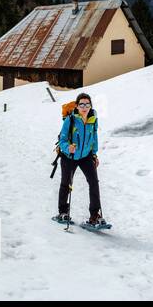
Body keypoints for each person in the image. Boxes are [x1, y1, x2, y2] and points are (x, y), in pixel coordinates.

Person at [56, 92, 105, 226]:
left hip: (86, 156)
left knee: (94, 182)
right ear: (77, 106)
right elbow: (62, 139)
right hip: (69, 156)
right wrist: (67, 148)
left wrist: (94, 154)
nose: (84, 107)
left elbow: (94, 138)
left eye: (87, 104)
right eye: (82, 104)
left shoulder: (93, 119)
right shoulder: (70, 120)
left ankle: (94, 216)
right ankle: (63, 212)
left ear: (90, 106)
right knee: (66, 183)